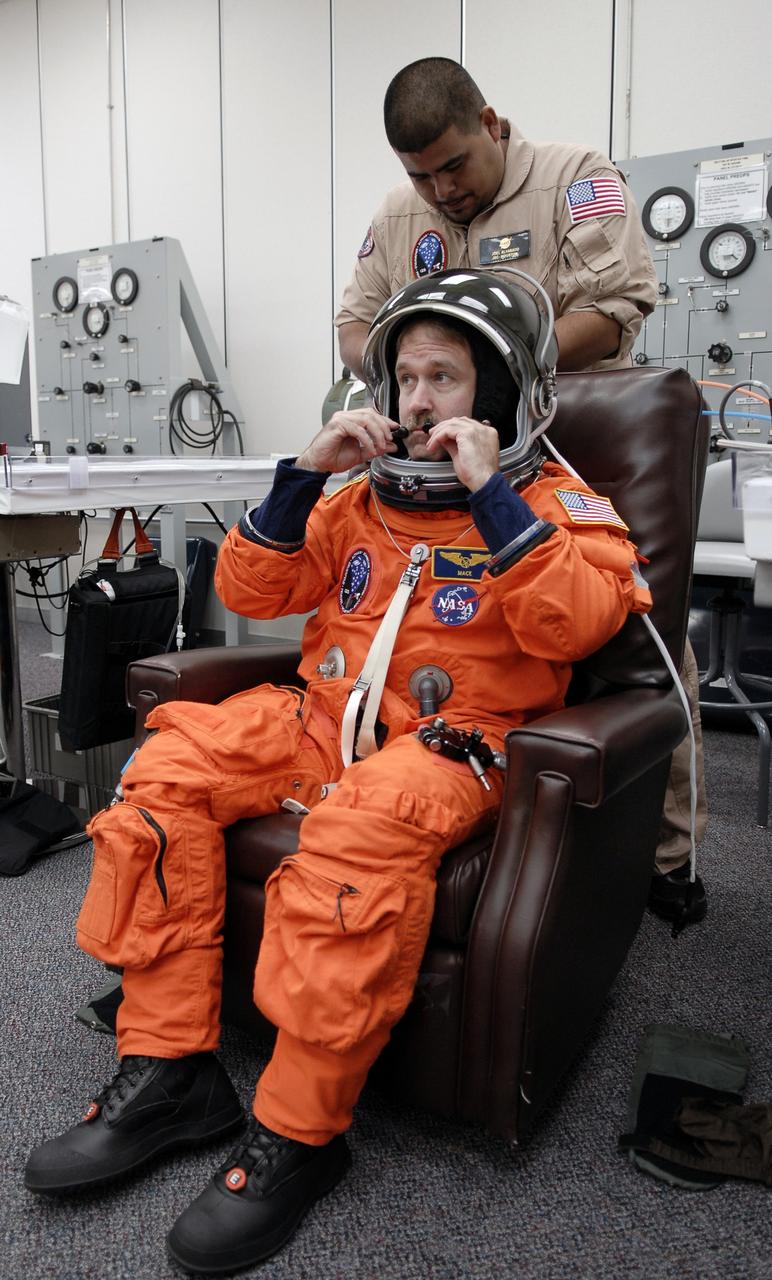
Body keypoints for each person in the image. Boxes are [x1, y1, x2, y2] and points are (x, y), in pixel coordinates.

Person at [25, 271, 653, 1273]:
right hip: (320, 721)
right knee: (165, 768)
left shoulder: (553, 501)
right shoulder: (360, 497)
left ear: (498, 395)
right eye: (403, 377)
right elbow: (248, 584)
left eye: (442, 377)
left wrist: (492, 497)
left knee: (361, 834)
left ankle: (300, 1131)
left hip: (456, 746)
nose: (415, 399)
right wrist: (301, 477)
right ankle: (169, 1066)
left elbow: (577, 623)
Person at [336, 56, 706, 928]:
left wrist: (503, 367)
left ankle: (664, 857)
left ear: (492, 124)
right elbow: (356, 321)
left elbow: (619, 304)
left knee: (640, 642)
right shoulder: (400, 215)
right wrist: (403, 374)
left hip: (572, 438)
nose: (441, 191)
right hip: (440, 464)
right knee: (461, 631)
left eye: (454, 166)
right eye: (420, 175)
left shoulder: (577, 178)